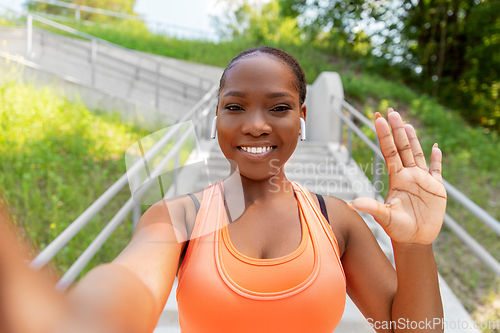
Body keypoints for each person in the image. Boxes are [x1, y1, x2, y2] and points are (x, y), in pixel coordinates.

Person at [0, 46, 447, 333]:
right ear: (216, 120)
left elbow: (414, 330)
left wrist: (414, 246)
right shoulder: (177, 216)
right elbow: (127, 285)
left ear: (302, 117)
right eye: (235, 107)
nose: (255, 125)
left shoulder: (338, 220)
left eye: (278, 107)